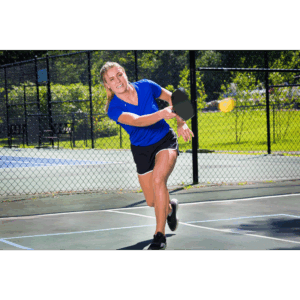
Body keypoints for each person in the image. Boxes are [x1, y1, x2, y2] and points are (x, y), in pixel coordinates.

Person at [100, 62, 194, 250]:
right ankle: (169, 208)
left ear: (124, 73)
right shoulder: (113, 108)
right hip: (141, 150)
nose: (117, 80)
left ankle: (159, 236)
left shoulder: (145, 85)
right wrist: (161, 113)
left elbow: (174, 98)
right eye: (111, 79)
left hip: (164, 140)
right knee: (153, 201)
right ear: (107, 85)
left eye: (119, 74)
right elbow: (138, 121)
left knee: (159, 180)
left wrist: (180, 122)